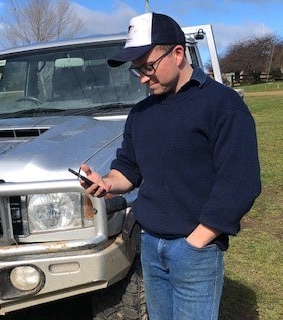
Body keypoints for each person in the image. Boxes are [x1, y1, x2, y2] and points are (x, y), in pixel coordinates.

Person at [79, 12, 261, 320]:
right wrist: (107, 183)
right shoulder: (141, 113)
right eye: (136, 70)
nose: (143, 77)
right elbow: (129, 169)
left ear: (178, 53)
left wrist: (198, 240)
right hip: (150, 245)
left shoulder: (222, 104)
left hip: (195, 248)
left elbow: (240, 181)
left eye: (148, 66)